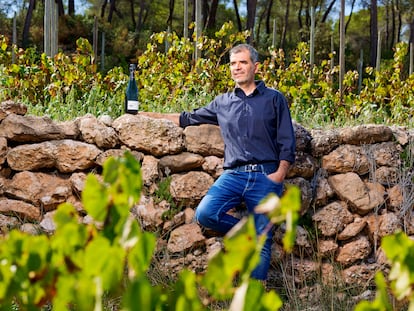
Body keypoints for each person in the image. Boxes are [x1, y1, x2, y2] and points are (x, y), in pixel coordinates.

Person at [140, 43, 296, 280]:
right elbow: (187, 118)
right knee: (205, 213)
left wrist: (280, 173)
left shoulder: (274, 99)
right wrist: (147, 116)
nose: (237, 68)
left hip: (266, 175)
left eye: (243, 62)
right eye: (233, 64)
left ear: (256, 66)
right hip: (233, 175)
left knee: (262, 243)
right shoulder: (222, 102)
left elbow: (287, 139)